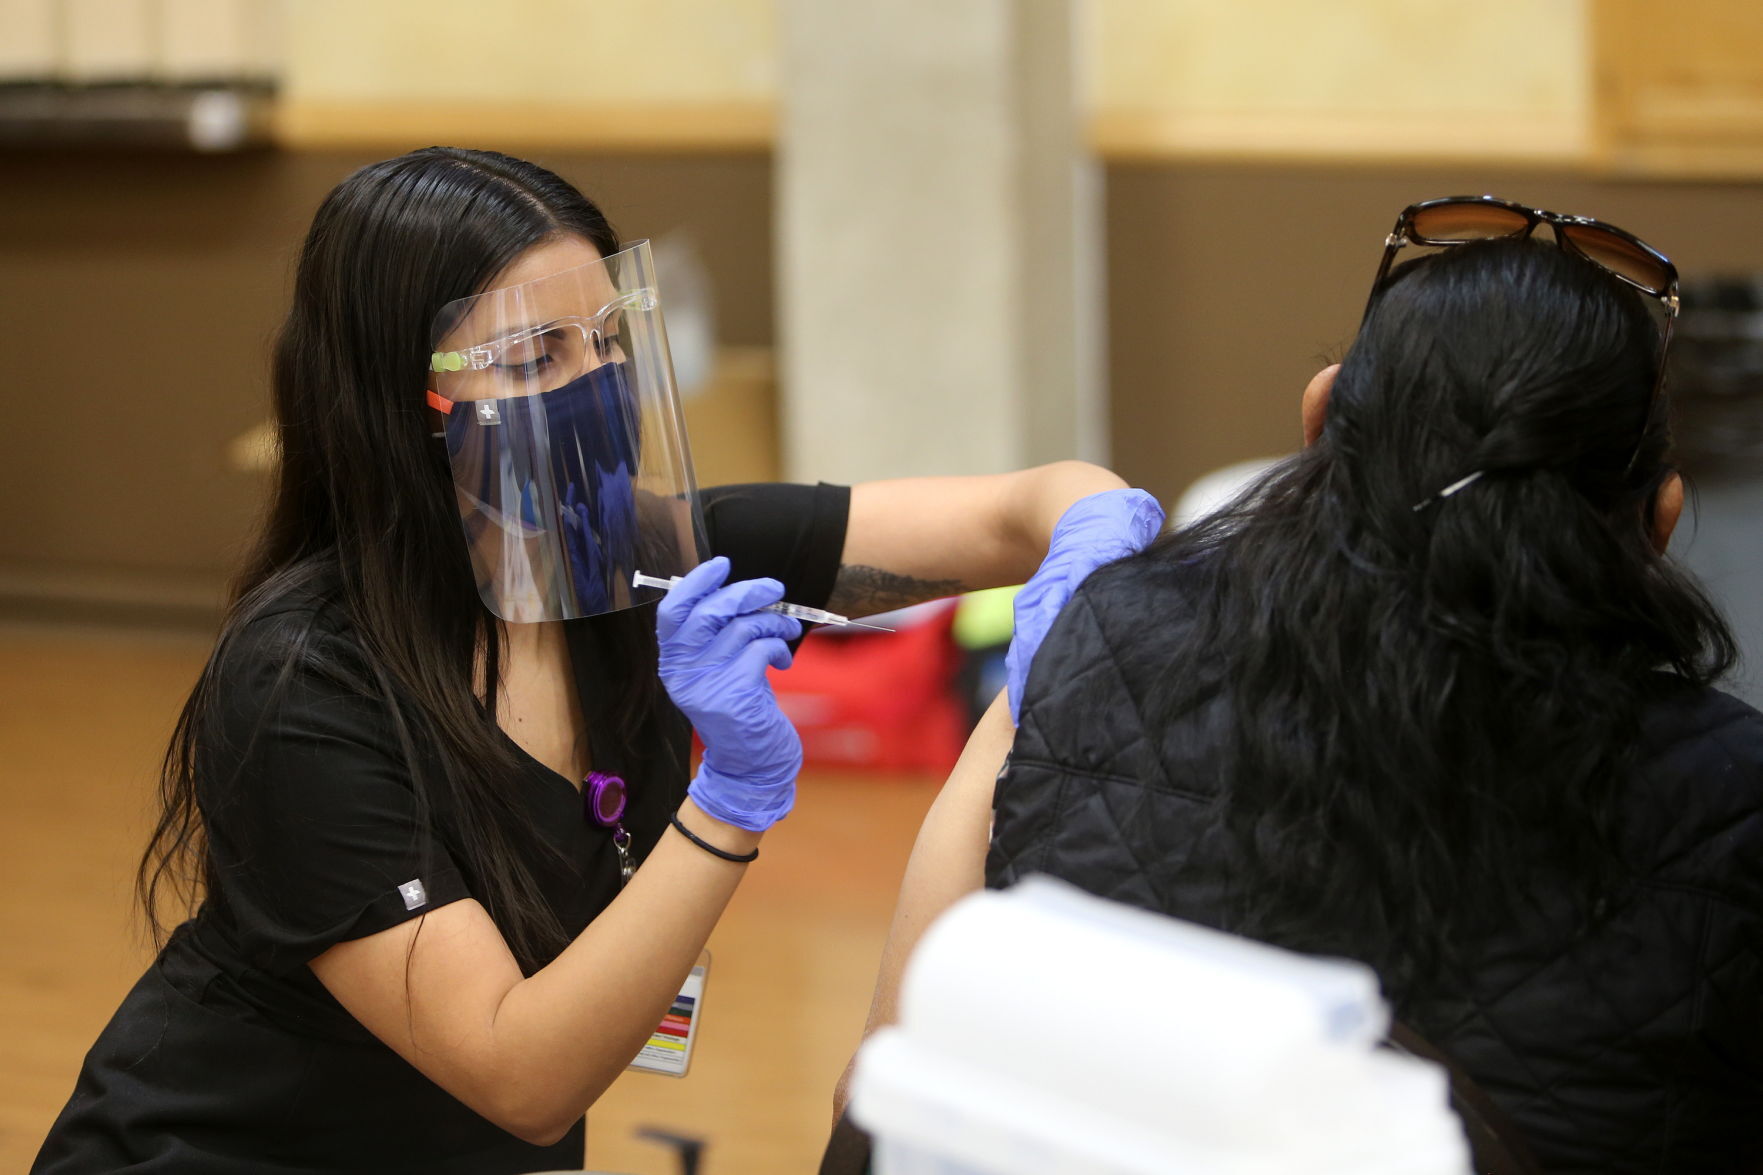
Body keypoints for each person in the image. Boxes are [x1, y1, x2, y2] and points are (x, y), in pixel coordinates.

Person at [30, 146, 1142, 1175]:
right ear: (397, 397)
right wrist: (730, 802)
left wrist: (1092, 529)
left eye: (610, 338)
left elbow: (1026, 505)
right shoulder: (304, 683)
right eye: (534, 354)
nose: (593, 382)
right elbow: (524, 1077)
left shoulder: (643, 554)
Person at [854, 199, 1763, 1174]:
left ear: (1318, 419)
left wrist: (1036, 682)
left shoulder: (1111, 643)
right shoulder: (1730, 795)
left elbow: (889, 1090)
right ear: (1658, 515)